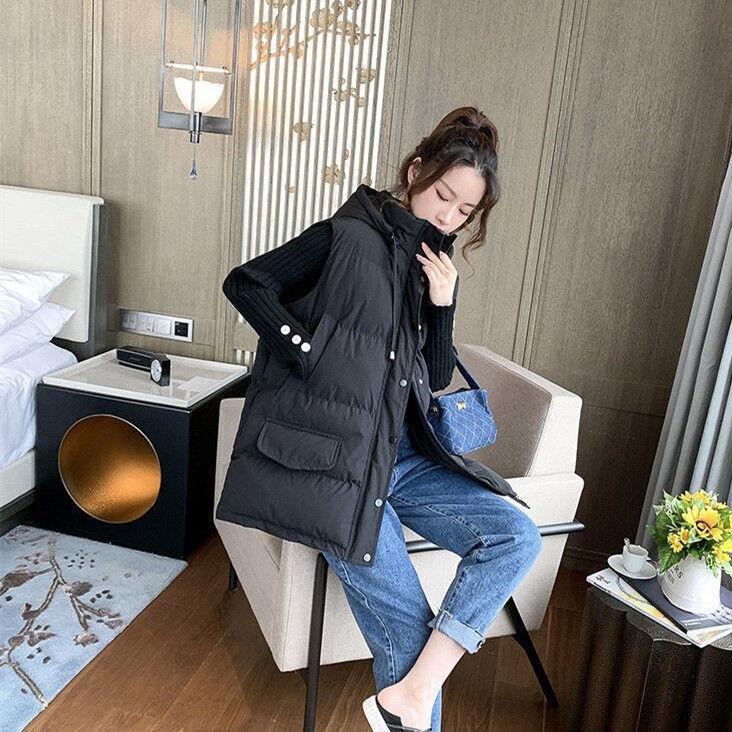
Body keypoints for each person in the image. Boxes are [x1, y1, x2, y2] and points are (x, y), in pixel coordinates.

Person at [222, 106, 542, 732]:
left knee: (516, 536)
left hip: (405, 462)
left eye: (464, 211)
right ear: (416, 172)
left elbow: (437, 373)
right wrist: (306, 350)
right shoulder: (345, 235)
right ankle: (410, 703)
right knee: (406, 625)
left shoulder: (431, 266)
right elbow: (247, 283)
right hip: (337, 472)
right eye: (442, 197)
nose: (448, 217)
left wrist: (443, 303)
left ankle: (411, 694)